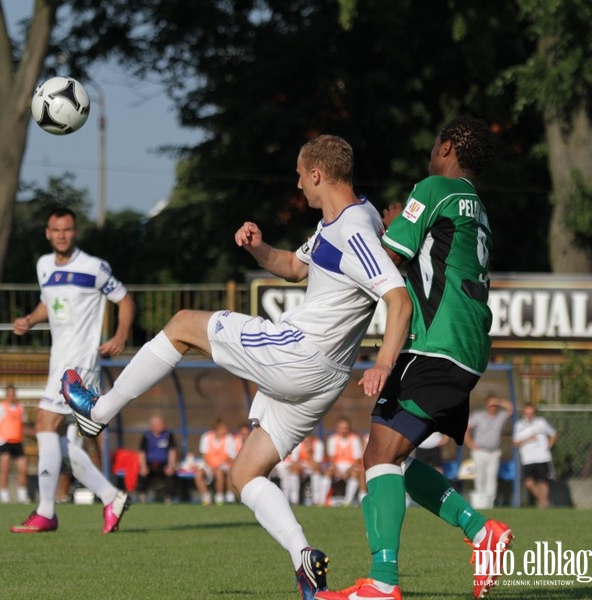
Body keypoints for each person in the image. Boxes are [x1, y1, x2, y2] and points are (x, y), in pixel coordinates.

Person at [61, 134, 412, 600]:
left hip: (298, 353)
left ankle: (98, 412)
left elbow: (397, 297)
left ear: (317, 174)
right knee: (245, 473)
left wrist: (385, 362)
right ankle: (304, 560)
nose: (297, 182)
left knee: (184, 324)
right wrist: (259, 248)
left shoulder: (353, 229)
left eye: (298, 173)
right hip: (321, 379)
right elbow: (293, 267)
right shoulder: (341, 221)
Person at [322, 116, 511, 600]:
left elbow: (389, 260)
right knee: (387, 459)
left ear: (447, 146)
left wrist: (370, 239)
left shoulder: (434, 186)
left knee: (381, 456)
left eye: (433, 144)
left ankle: (383, 583)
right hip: (463, 346)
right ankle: (480, 531)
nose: (429, 153)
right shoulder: (477, 206)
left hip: (435, 344)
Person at [8, 206, 135, 535]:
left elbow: (124, 300)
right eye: (56, 230)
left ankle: (46, 511)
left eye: (67, 229)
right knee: (60, 442)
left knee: (44, 424)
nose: (62, 235)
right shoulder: (44, 266)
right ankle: (111, 496)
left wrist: (120, 336)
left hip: (80, 364)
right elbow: (48, 303)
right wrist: (29, 320)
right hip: (58, 359)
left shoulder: (93, 267)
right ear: (48, 233)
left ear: (73, 232)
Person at [466, 394, 513, 508]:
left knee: (492, 478)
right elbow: (466, 429)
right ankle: (480, 504)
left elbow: (511, 408)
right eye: (491, 404)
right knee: (480, 477)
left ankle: (490, 504)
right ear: (486, 405)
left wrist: (499, 401)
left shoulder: (500, 416)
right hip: (480, 451)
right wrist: (470, 444)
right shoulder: (478, 416)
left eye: (495, 405)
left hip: (494, 452)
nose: (493, 407)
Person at [0, 384, 30, 504]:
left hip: (17, 441)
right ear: (6, 395)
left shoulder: (21, 407)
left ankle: (22, 495)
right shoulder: (0, 407)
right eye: (9, 394)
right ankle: (4, 496)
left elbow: (22, 423)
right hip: (4, 441)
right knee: (5, 469)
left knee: (23, 469)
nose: (11, 397)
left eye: (13, 394)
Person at [513, 403, 557, 508]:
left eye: (531, 413)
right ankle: (544, 501)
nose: (529, 416)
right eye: (527, 413)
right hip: (528, 459)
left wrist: (549, 446)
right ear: (523, 413)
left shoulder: (541, 422)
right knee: (529, 483)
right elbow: (515, 443)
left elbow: (553, 434)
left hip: (542, 457)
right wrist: (528, 439)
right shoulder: (519, 425)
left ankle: (543, 504)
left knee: (543, 481)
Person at [193, 418, 237, 505]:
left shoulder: (229, 438)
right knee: (198, 475)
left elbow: (231, 457)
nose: (225, 431)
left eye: (226, 429)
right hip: (209, 465)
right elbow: (204, 455)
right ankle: (206, 497)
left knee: (219, 472)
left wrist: (219, 466)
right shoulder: (206, 437)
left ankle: (219, 497)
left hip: (224, 466)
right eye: (223, 429)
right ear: (216, 429)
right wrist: (211, 467)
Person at [138, 414, 179, 503]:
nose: (162, 426)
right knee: (142, 473)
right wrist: (143, 466)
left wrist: (171, 465)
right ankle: (142, 495)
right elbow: (142, 452)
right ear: (153, 426)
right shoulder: (146, 436)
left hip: (164, 463)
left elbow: (172, 451)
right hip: (150, 463)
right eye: (160, 424)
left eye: (162, 424)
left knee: (170, 473)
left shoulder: (168, 435)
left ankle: (169, 497)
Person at [324, 417, 365, 506]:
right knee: (327, 473)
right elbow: (331, 458)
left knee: (355, 473)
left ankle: (347, 501)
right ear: (337, 428)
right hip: (337, 465)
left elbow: (357, 459)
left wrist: (347, 471)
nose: (343, 430)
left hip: (351, 466)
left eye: (346, 428)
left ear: (349, 428)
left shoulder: (355, 439)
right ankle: (322, 500)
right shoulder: (332, 439)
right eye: (341, 428)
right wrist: (337, 471)